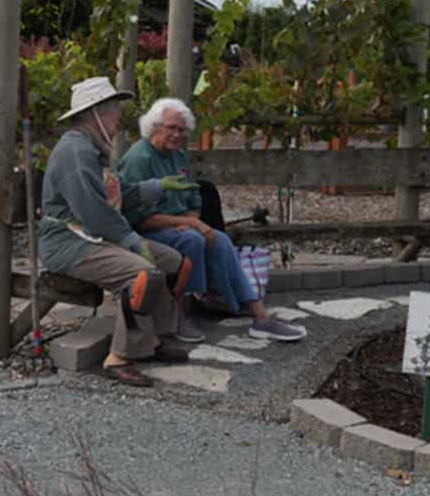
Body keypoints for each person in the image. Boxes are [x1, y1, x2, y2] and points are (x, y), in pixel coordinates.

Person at [39, 77, 200, 388]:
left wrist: (156, 187)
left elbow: (117, 193)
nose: (119, 118)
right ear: (95, 113)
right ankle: (120, 357)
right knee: (144, 275)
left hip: (89, 237)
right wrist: (131, 240)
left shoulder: (88, 147)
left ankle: (151, 339)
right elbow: (94, 213)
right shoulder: (76, 153)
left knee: (177, 263)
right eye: (114, 111)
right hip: (68, 244)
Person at [117, 98, 307, 342]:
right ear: (154, 126)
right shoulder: (139, 158)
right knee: (193, 240)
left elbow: (194, 196)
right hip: (147, 231)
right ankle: (179, 313)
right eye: (171, 128)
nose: (176, 134)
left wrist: (192, 217)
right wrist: (189, 224)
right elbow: (138, 218)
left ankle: (259, 316)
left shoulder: (178, 156)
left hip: (178, 226)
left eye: (181, 129)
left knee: (219, 240)